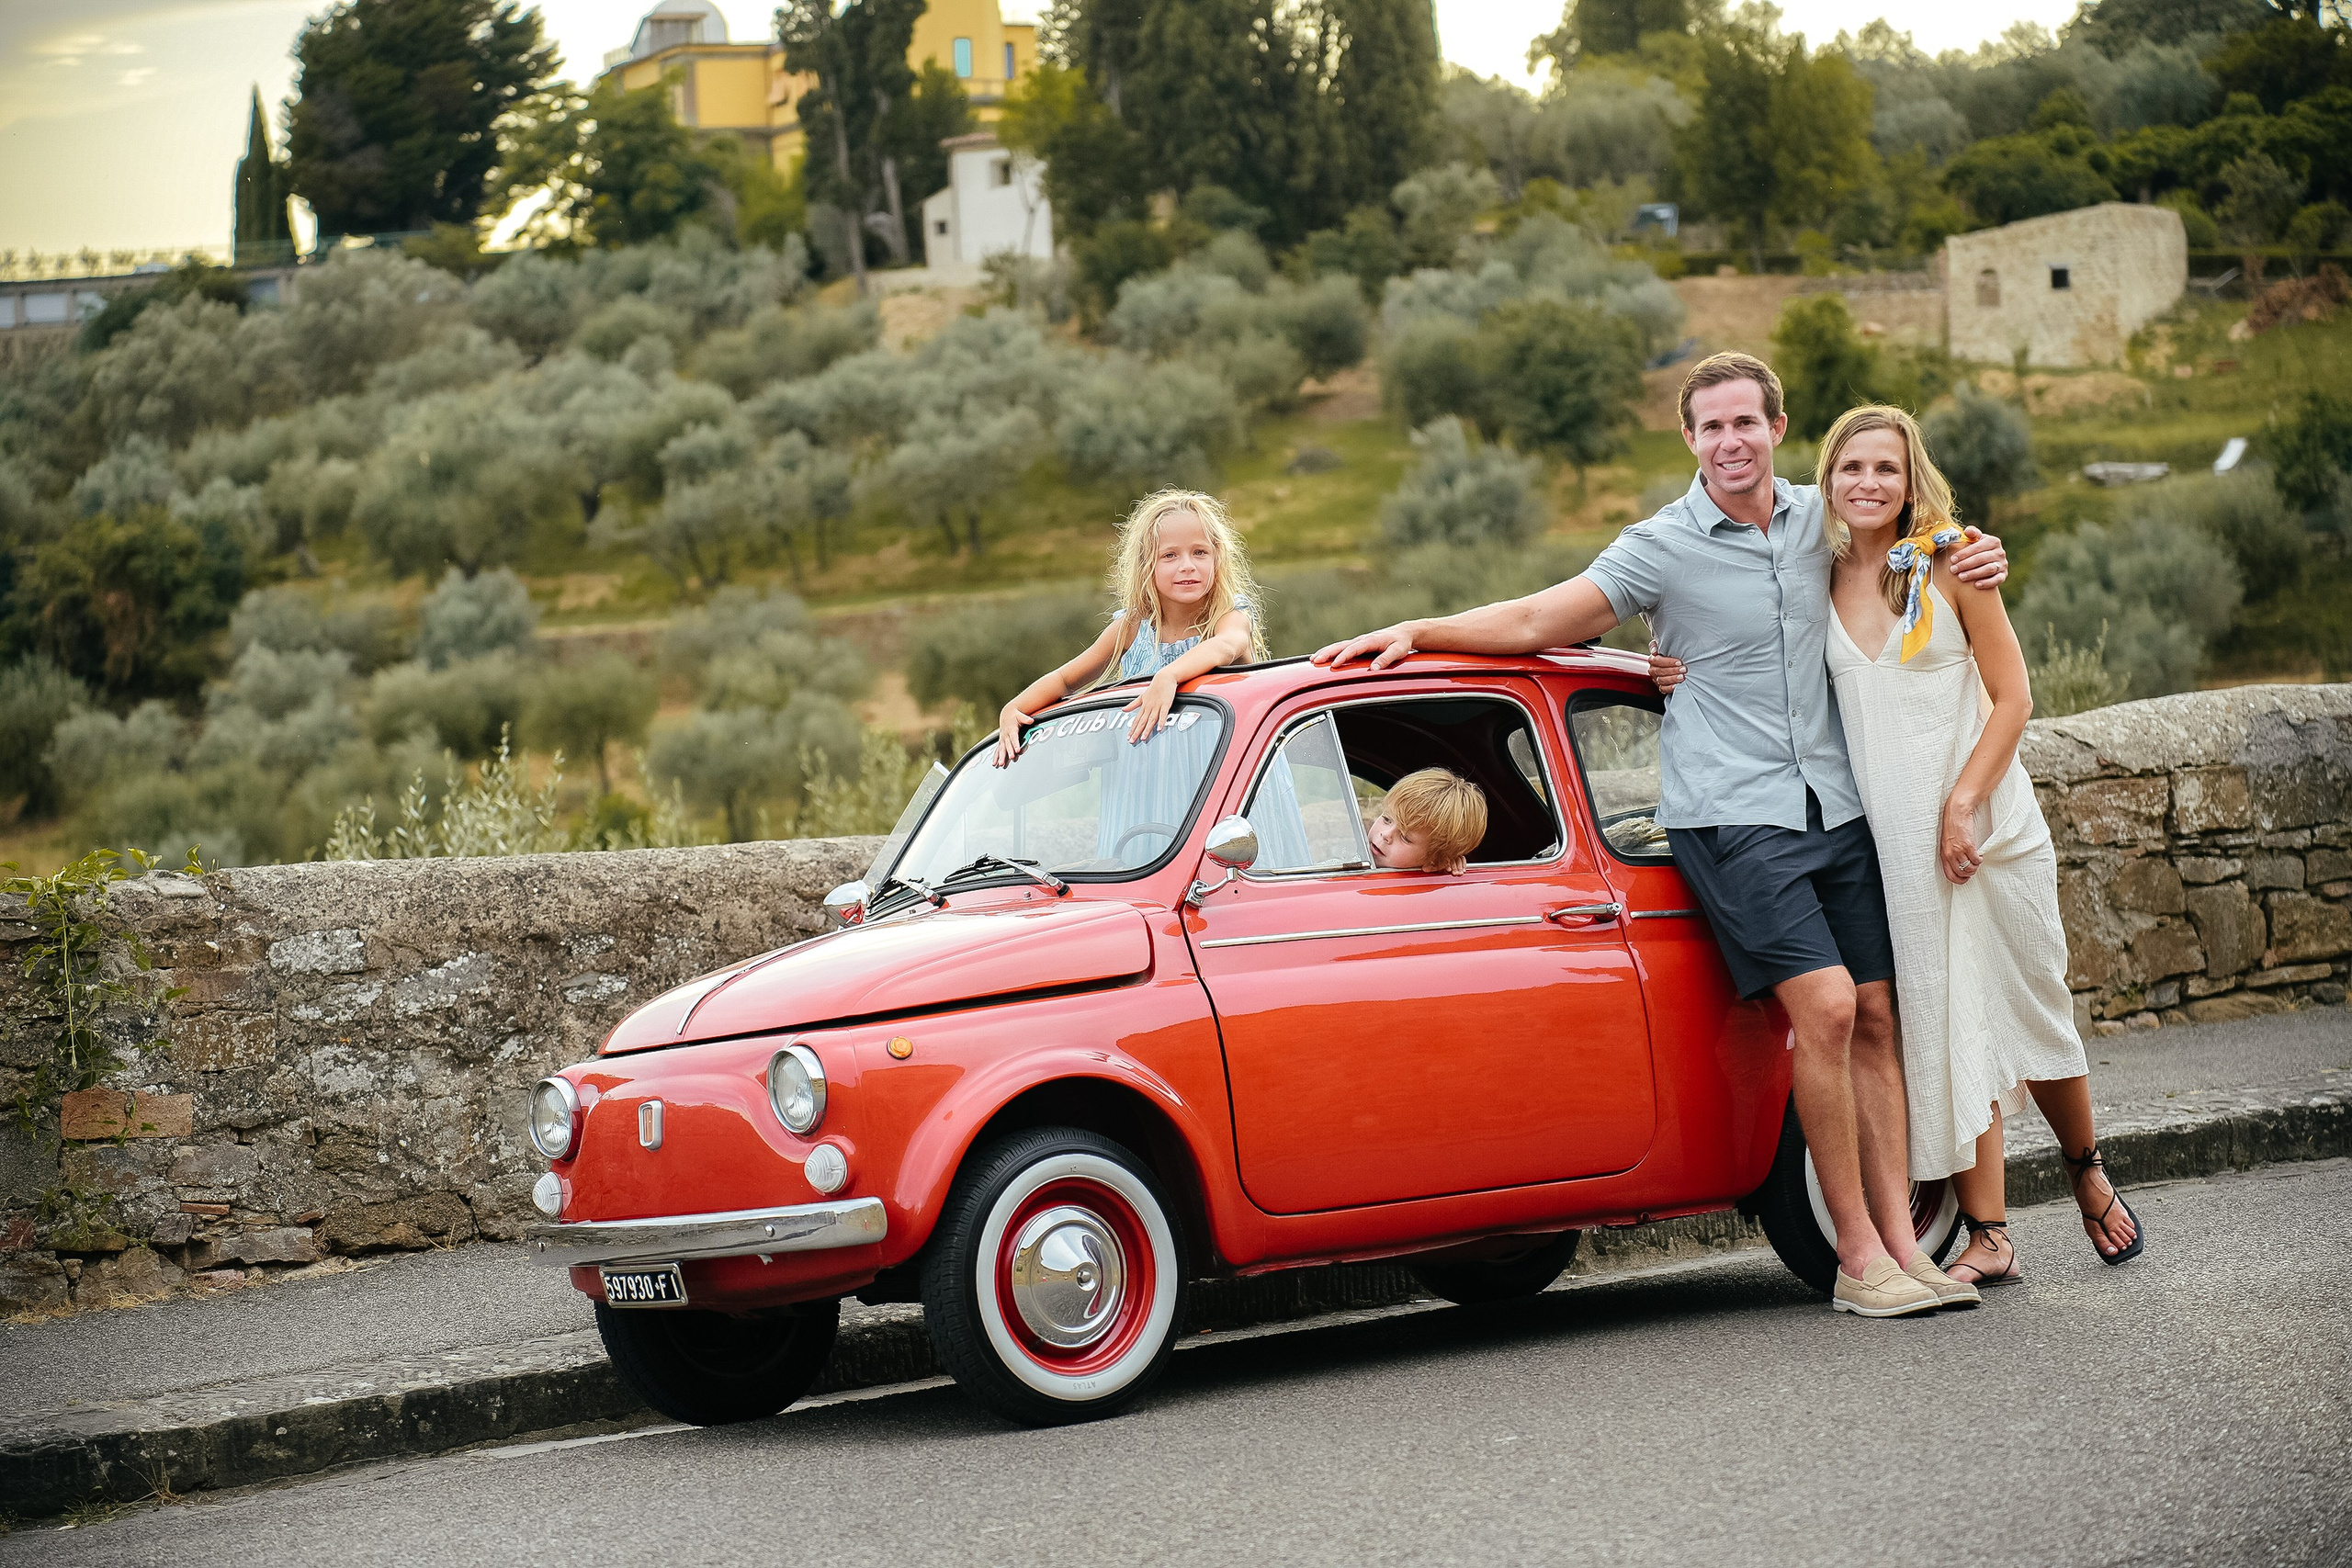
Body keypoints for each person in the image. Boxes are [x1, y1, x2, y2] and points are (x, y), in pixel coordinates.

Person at [1314, 352, 2009, 1320]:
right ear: (1689, 440)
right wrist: (1420, 631)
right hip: (1730, 813)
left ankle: (1905, 1244)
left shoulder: (1824, 517)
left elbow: (1921, 542)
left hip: (1836, 806)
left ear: (1775, 427)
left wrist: (1978, 551)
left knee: (1880, 1019)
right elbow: (1534, 616)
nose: (1731, 441)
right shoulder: (1660, 545)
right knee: (1825, 1012)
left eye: (1746, 424)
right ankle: (1855, 1258)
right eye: (1711, 427)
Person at [1650, 406, 2143, 1285]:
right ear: (1827, 480)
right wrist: (1667, 660)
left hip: (1984, 823)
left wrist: (1964, 805)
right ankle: (1990, 1232)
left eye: (1886, 468)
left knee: (2031, 1008)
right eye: (1851, 469)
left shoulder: (1955, 563)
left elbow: (2016, 698)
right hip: (1888, 837)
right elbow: (1744, 639)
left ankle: (2086, 1167)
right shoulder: (1819, 570)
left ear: (1911, 479)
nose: (1868, 484)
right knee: (1946, 1016)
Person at [992, 490, 1264, 866]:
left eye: (1200, 552)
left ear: (1218, 558)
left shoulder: (1229, 617)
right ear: (1145, 566)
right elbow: (1065, 680)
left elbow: (1228, 646)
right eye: (1169, 555)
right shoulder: (1132, 627)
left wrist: (1168, 676)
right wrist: (1014, 708)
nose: (1187, 565)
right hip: (1145, 787)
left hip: (1222, 784)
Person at [1367, 769, 1487, 874]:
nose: (1385, 834)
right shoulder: (1354, 846)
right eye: (1387, 819)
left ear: (1434, 864)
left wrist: (1445, 872)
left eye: (1405, 837)